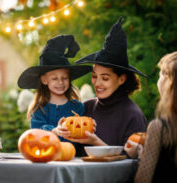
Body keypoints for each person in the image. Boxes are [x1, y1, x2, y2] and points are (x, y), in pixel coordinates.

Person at [54, 17, 148, 157]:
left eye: (105, 78)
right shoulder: (85, 108)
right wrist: (59, 131)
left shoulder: (132, 115)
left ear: (121, 79)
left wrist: (95, 141)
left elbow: (131, 162)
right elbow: (65, 150)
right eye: (94, 76)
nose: (97, 83)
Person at [17, 34, 92, 146]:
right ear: (44, 80)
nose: (60, 82)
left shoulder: (77, 107)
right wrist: (54, 131)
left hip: (72, 158)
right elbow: (36, 133)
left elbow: (81, 134)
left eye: (64, 78)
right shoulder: (39, 109)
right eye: (54, 78)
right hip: (46, 157)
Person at [132, 50, 177, 182]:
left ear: (169, 83)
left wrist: (143, 157)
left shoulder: (159, 127)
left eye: (161, 74)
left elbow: (142, 180)